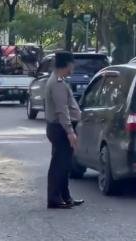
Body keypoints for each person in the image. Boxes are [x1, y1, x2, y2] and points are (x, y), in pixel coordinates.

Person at [45, 51, 84, 209]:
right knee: (59, 165)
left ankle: (65, 196)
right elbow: (62, 110)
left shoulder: (58, 79)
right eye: (72, 64)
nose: (73, 67)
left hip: (58, 128)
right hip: (60, 129)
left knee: (64, 164)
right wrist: (70, 132)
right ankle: (54, 199)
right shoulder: (57, 84)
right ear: (67, 65)